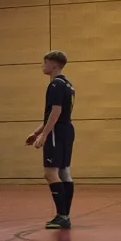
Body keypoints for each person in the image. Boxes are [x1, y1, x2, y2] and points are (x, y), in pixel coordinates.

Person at [26, 50, 76, 230]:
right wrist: (36, 132)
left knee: (50, 173)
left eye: (45, 62)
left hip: (56, 131)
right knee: (64, 173)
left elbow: (55, 112)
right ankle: (65, 216)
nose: (43, 65)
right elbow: (55, 114)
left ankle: (62, 216)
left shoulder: (55, 84)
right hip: (67, 130)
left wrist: (44, 134)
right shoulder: (68, 84)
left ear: (53, 65)